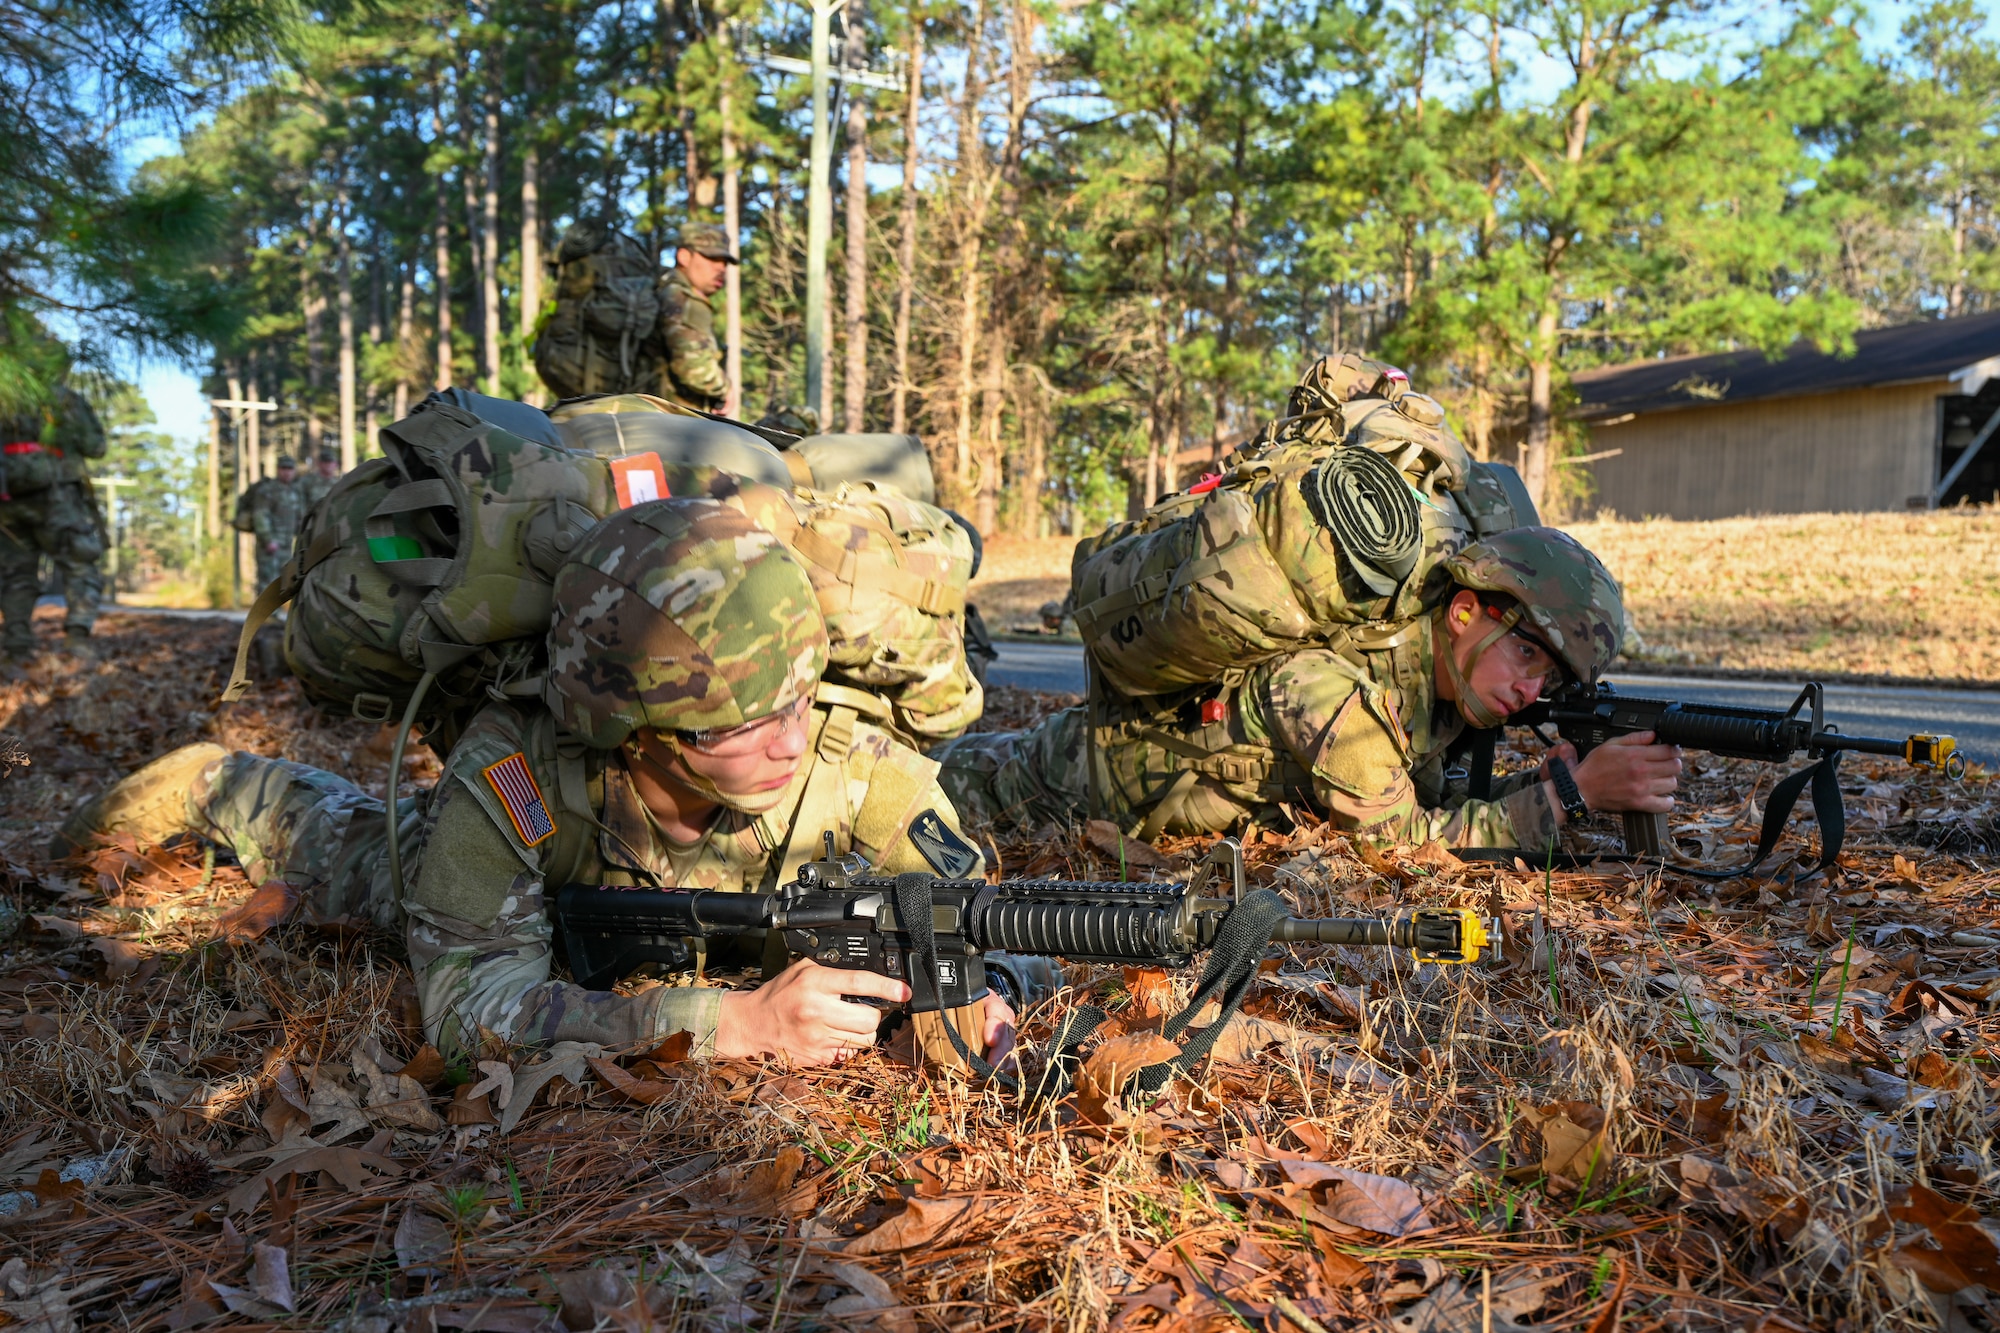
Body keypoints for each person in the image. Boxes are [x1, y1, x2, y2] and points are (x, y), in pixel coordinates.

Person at [54, 498, 1014, 1067]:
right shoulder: (518, 767)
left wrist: (985, 989)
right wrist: (731, 1022)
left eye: (802, 700)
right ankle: (217, 776)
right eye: (739, 724)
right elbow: (470, 1005)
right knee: (335, 836)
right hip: (472, 876)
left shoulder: (854, 769)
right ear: (632, 733)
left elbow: (994, 922)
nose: (788, 743)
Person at [933, 528, 1682, 856]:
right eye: (1526, 652)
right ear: (1462, 613)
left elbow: (1427, 804)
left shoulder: (1431, 693)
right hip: (1059, 786)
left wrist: (1553, 782)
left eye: (1549, 677)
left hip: (1100, 766)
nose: (1530, 685)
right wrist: (1567, 795)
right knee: (912, 799)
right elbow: (1405, 850)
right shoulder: (1336, 696)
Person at [0, 384, 108, 662]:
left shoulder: (6, 390)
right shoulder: (62, 398)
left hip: (8, 499)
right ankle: (77, 640)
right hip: (57, 497)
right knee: (80, 564)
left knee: (16, 574)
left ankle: (17, 648)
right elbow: (95, 446)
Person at [655, 220, 735, 413]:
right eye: (712, 258)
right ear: (684, 256)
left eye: (724, 262)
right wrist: (724, 389)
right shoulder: (683, 298)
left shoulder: (661, 288)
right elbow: (695, 370)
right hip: (667, 421)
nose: (721, 268)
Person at [235, 455, 308, 589]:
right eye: (283, 468)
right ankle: (265, 611)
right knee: (267, 581)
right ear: (278, 469)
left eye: (290, 469)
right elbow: (260, 516)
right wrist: (268, 540)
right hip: (269, 545)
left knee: (282, 582)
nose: (287, 472)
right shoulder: (267, 490)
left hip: (286, 545)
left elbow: (300, 517)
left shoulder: (295, 491)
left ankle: (277, 610)